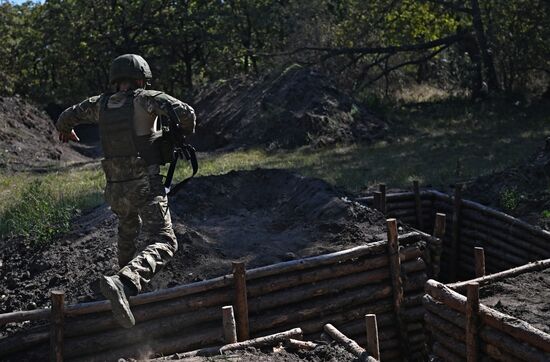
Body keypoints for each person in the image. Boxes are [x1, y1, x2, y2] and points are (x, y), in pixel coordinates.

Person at [56, 54, 196, 328]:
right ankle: (125, 281)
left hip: (115, 190)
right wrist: (182, 131)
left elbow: (66, 117)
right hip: (145, 184)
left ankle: (120, 293)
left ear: (115, 80)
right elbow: (186, 113)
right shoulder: (146, 98)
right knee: (166, 241)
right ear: (141, 78)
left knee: (128, 232)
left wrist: (65, 131)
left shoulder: (100, 104)